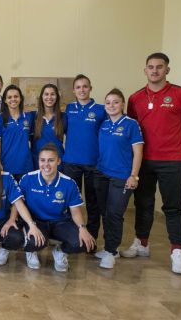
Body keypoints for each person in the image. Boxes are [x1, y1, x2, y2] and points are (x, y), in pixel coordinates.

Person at [124, 52, 181, 275]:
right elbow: (131, 129)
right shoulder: (135, 98)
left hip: (173, 161)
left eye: (159, 67)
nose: (155, 70)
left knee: (173, 207)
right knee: (144, 204)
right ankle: (142, 243)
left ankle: (177, 251)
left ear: (167, 69)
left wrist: (180, 142)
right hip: (144, 161)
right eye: (151, 67)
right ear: (145, 70)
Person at [19, 144, 95, 272]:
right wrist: (30, 224)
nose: (46, 165)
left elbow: (76, 212)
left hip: (60, 221)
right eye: (42, 160)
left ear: (58, 161)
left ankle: (60, 252)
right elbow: (18, 204)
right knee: (33, 242)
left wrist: (83, 228)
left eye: (51, 160)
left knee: (81, 243)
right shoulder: (27, 179)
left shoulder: (69, 183)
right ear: (38, 161)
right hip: (36, 222)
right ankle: (32, 251)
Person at [94, 89, 143, 269]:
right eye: (108, 102)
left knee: (115, 214)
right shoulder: (104, 124)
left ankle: (111, 249)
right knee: (105, 212)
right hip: (102, 173)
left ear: (122, 104)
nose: (112, 105)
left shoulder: (131, 124)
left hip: (122, 177)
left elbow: (138, 152)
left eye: (116, 102)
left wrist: (134, 175)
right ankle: (110, 248)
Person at [62, 74, 106, 243]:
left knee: (93, 205)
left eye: (85, 86)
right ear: (73, 90)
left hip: (94, 165)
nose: (82, 90)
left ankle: (92, 239)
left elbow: (107, 135)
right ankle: (73, 237)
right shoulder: (69, 109)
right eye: (78, 87)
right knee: (70, 203)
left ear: (90, 88)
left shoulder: (101, 110)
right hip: (71, 163)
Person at [0, 84, 35, 181]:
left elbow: (33, 140)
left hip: (26, 165)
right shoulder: (0, 118)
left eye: (16, 96)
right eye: (9, 97)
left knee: (25, 195)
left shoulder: (29, 116)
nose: (13, 99)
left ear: (20, 98)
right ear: (5, 100)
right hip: (7, 165)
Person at [32, 84, 66, 168]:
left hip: (58, 163)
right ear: (41, 97)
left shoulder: (64, 117)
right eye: (46, 94)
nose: (49, 97)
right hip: (38, 163)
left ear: (57, 97)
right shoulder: (33, 117)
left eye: (52, 94)